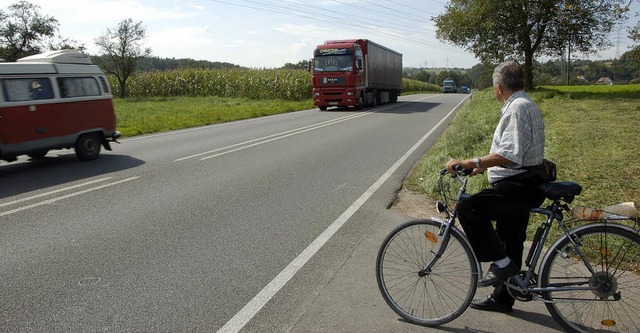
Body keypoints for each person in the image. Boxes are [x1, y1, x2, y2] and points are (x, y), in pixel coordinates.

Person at [445, 61, 546, 313]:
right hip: (526, 181)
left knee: (469, 207)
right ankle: (503, 297)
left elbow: (511, 154)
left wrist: (472, 161)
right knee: (510, 238)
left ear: (498, 87)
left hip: (518, 184)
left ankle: (501, 264)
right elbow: (513, 152)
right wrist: (483, 167)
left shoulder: (516, 108)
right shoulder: (525, 103)